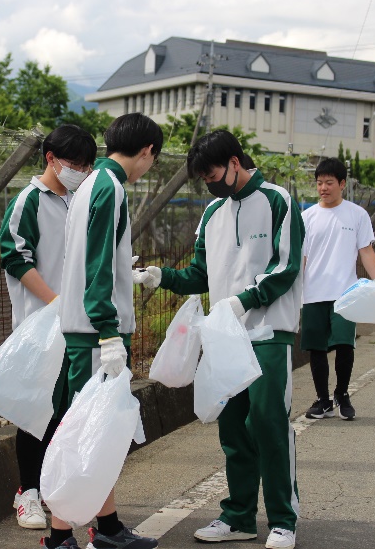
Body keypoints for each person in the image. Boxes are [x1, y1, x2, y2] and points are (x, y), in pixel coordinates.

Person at [134, 130, 303, 549]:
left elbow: (287, 267)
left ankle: (283, 520)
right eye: (204, 178)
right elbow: (199, 274)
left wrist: (244, 301)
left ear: (234, 162)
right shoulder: (213, 212)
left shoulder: (278, 201)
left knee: (268, 422)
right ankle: (240, 517)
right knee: (233, 430)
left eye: (213, 174)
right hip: (224, 335)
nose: (210, 183)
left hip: (267, 331)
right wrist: (163, 276)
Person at [44, 112, 163, 549]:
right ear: (147, 150)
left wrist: (122, 276)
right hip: (96, 332)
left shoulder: (92, 184)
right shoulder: (110, 187)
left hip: (84, 327)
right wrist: (109, 329)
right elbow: (95, 264)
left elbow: (90, 259)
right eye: (153, 158)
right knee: (87, 433)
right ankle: (60, 536)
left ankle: (108, 527)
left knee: (97, 433)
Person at [0, 124, 96, 530]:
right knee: (35, 413)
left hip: (74, 325)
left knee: (65, 412)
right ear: (50, 159)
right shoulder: (29, 201)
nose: (80, 170)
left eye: (86, 165)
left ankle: (53, 490)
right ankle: (27, 494)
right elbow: (14, 256)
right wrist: (55, 302)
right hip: (39, 325)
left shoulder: (78, 200)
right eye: (74, 163)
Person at [300, 157, 375, 421]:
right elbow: (302, 258)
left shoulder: (357, 214)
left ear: (342, 184)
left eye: (329, 182)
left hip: (345, 293)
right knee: (316, 348)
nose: (323, 188)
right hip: (314, 292)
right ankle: (323, 400)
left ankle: (342, 393)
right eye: (319, 183)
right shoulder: (307, 217)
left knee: (344, 345)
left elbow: (366, 251)